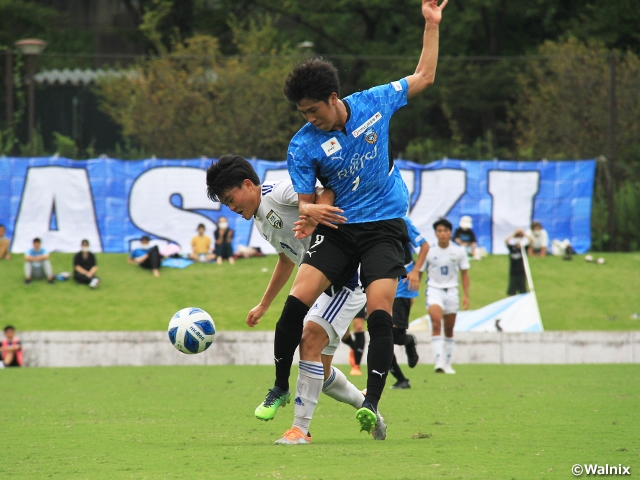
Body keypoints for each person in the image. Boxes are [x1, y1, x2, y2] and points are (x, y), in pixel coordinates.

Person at [278, 0, 447, 435]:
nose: (309, 119)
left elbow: (425, 76)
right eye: (303, 114)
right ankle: (278, 385)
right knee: (297, 299)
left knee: (380, 310)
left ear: (334, 99)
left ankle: (371, 402)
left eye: (313, 110)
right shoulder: (303, 144)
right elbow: (307, 200)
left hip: (384, 228)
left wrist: (431, 25)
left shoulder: (376, 101)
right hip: (338, 228)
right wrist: (309, 212)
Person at [205, 155, 386, 444]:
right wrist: (264, 303)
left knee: (309, 341)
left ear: (249, 185)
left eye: (230, 198)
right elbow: (287, 261)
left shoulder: (279, 192)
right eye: (226, 203)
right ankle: (367, 407)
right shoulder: (260, 221)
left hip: (343, 282)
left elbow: (326, 193)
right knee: (322, 375)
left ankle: (300, 430)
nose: (232, 207)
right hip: (318, 285)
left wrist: (314, 219)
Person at [424, 218, 469, 374]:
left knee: (449, 328)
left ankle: (448, 363)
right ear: (436, 233)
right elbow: (420, 270)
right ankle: (438, 362)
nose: (442, 234)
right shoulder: (429, 251)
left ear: (450, 233)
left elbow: (464, 273)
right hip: (434, 290)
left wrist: (466, 296)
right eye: (439, 231)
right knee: (436, 323)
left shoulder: (459, 251)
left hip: (452, 291)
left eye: (445, 231)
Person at [389, 216, 429, 389]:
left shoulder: (402, 221)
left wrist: (416, 271)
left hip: (402, 286)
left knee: (391, 336)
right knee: (381, 336)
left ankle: (408, 341)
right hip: (381, 281)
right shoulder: (371, 217)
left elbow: (425, 246)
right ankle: (401, 380)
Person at [505, 229, 533, 296]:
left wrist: (523, 234)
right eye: (517, 237)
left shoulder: (523, 249)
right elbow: (506, 240)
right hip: (513, 273)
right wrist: (514, 233)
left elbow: (531, 240)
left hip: (522, 273)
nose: (518, 239)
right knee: (511, 291)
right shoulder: (512, 248)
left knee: (523, 291)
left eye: (519, 238)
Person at [341, 309, 367, 376]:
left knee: (358, 327)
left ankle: (356, 365)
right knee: (344, 334)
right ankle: (354, 347)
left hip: (359, 299)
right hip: (343, 301)